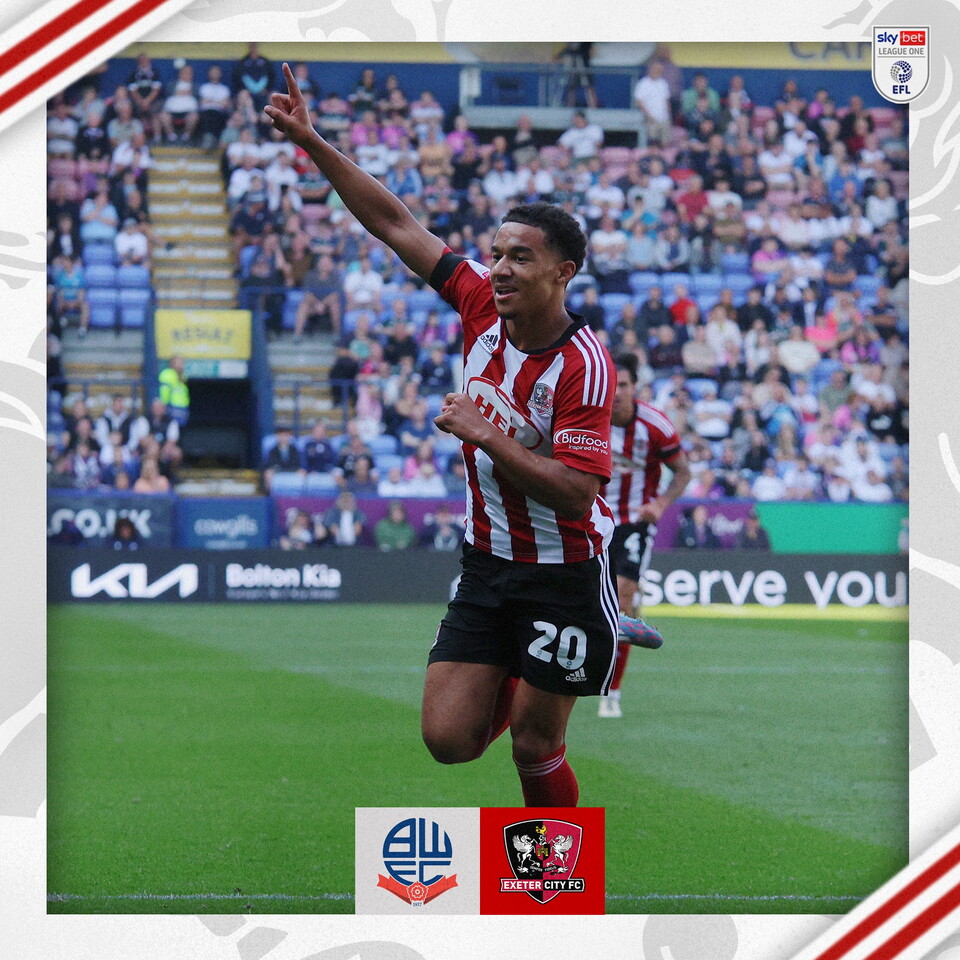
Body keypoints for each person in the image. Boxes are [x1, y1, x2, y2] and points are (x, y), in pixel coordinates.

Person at [266, 63, 652, 807]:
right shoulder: (479, 301)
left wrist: (486, 435)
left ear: (563, 273)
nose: (498, 269)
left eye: (520, 258)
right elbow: (394, 224)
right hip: (485, 562)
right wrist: (313, 143)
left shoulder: (585, 368)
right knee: (448, 742)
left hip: (562, 568)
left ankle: (553, 894)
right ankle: (543, 656)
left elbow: (577, 495)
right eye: (497, 253)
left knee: (537, 745)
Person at [598, 354, 692, 718]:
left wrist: (660, 504)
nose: (617, 392)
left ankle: (612, 691)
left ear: (635, 387)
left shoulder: (655, 425)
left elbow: (682, 472)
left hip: (635, 523)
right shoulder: (589, 416)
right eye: (612, 385)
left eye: (624, 385)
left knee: (624, 599)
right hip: (590, 520)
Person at [158, 355, 190, 427]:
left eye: (182, 362)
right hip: (172, 408)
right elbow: (164, 392)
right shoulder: (167, 374)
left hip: (183, 409)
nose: (182, 365)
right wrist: (165, 406)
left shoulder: (183, 376)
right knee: (173, 430)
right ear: (172, 363)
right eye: (179, 362)